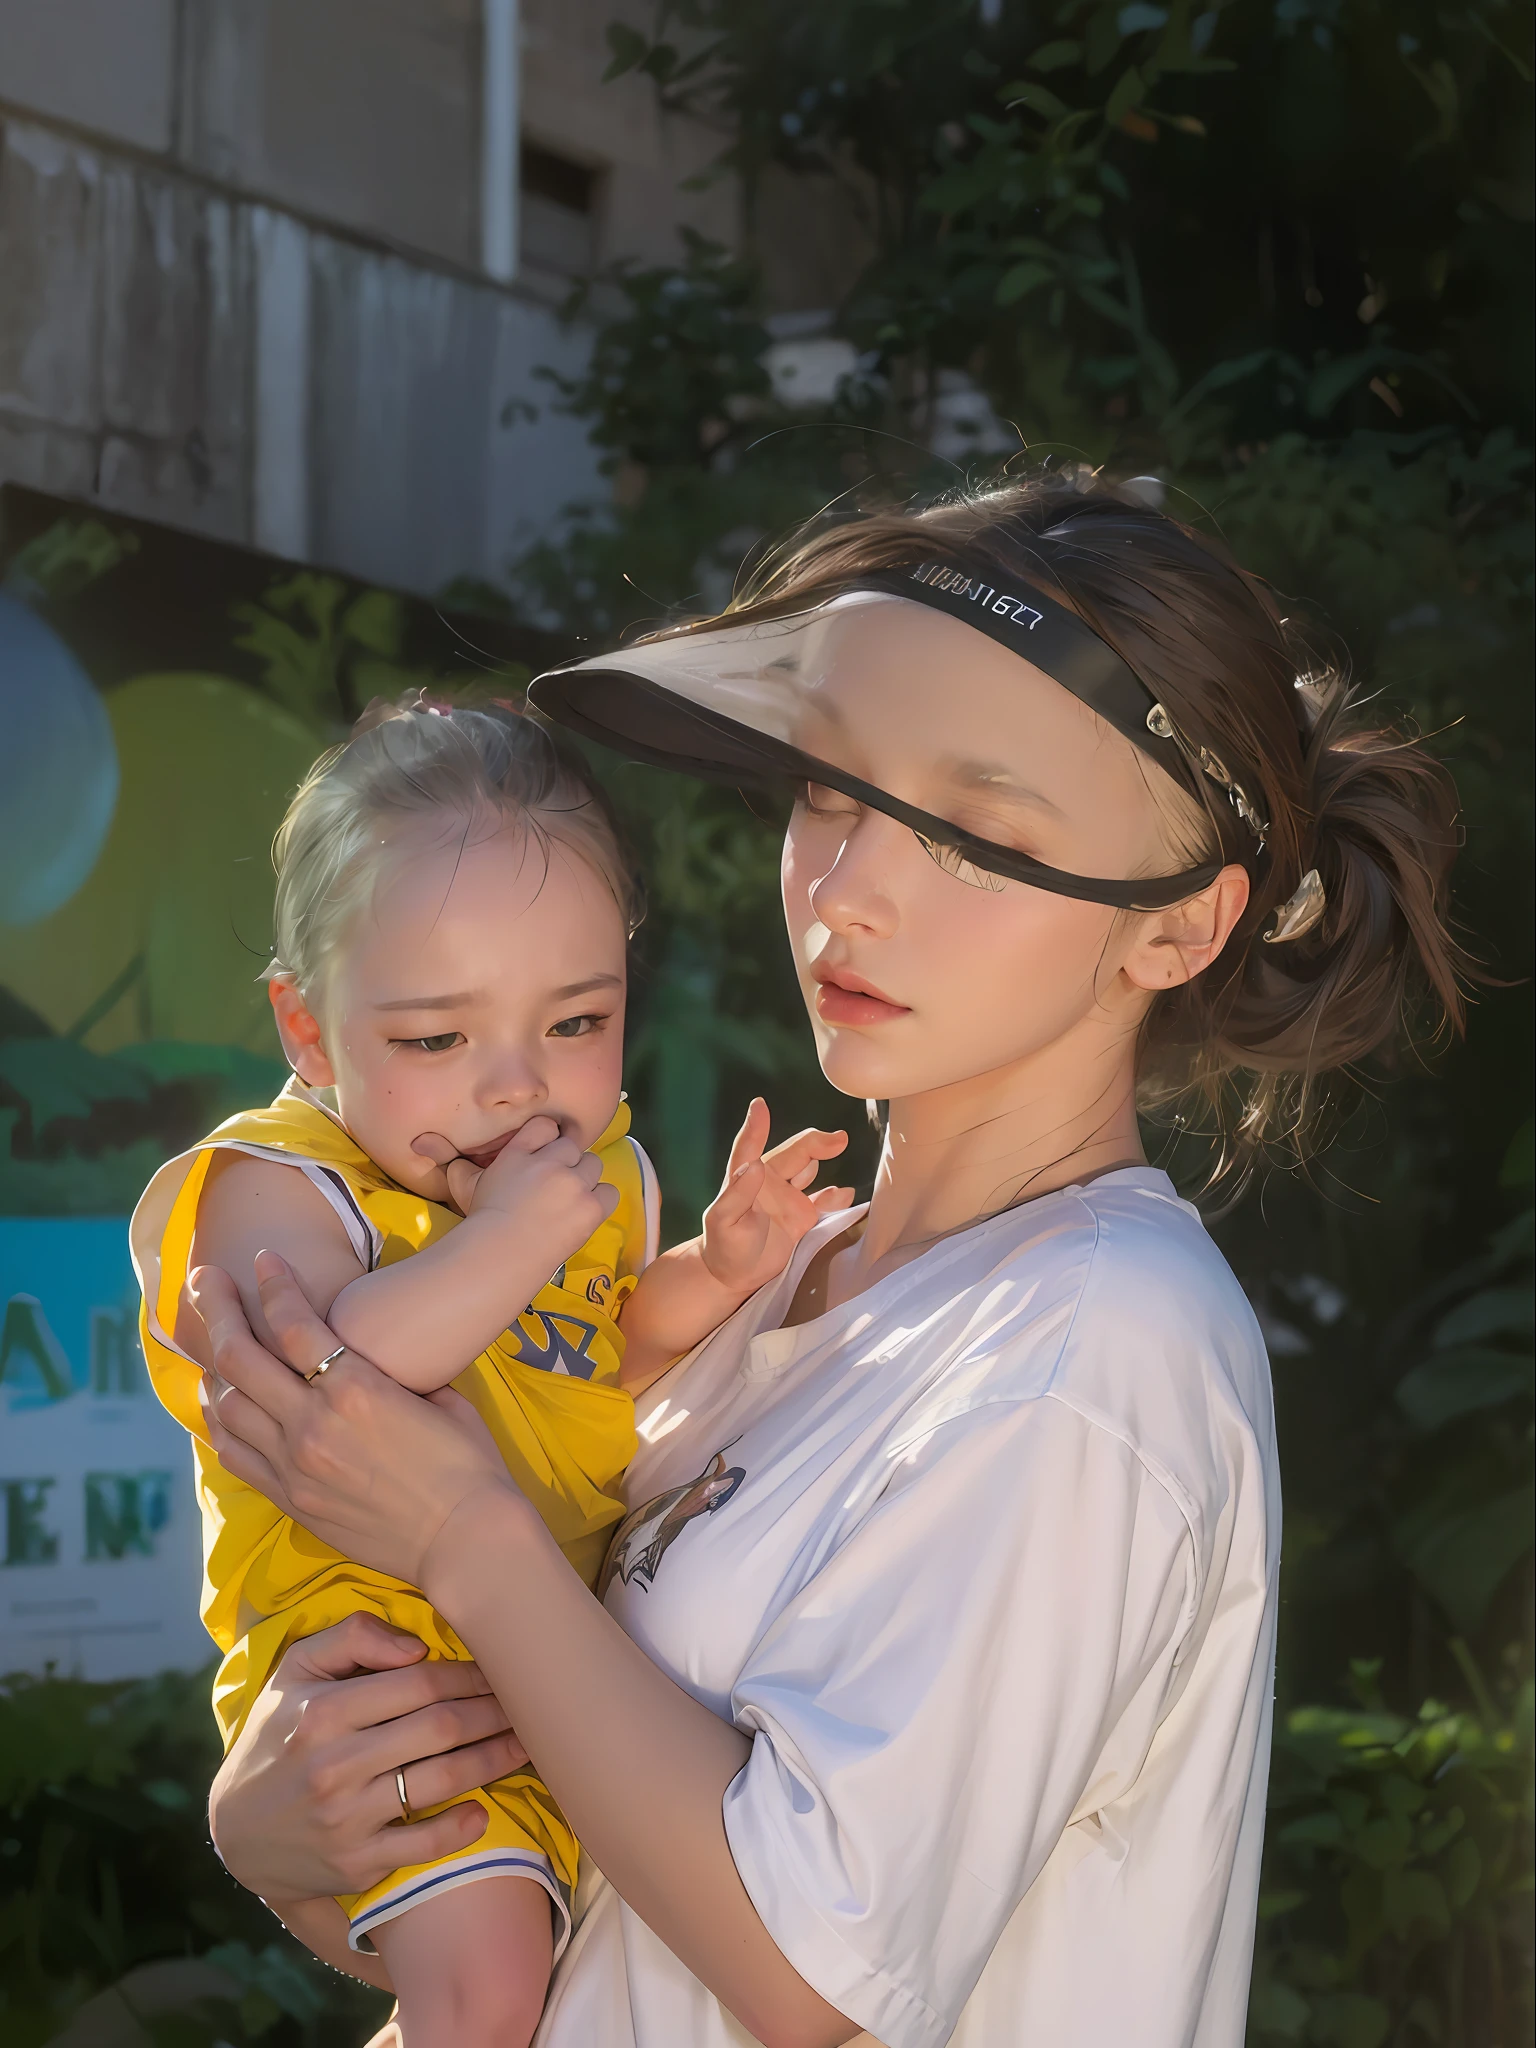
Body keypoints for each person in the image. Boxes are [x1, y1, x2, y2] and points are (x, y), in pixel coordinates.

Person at [188, 475, 1464, 2048]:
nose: (849, 890)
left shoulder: (1091, 1350)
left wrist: (461, 1527)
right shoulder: (773, 1286)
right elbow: (599, 1931)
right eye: (833, 792)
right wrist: (284, 1841)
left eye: (973, 831)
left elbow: (813, 1976)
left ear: (1179, 931)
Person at [130, 698, 850, 2047]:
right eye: (435, 1042)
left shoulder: (589, 1182)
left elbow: (600, 1362)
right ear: (306, 1028)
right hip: (380, 1685)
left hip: (538, 1658)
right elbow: (343, 1385)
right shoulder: (273, 1191)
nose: (516, 1090)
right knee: (488, 1994)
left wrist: (713, 1267)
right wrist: (519, 1237)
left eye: (575, 1023)